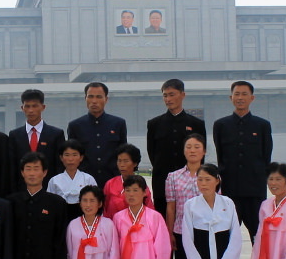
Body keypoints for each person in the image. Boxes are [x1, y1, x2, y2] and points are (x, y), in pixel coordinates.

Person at [213, 80, 273, 243]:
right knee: (227, 238)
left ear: (252, 98)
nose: (240, 98)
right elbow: (221, 156)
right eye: (237, 94)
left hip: (255, 191)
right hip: (230, 191)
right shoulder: (221, 125)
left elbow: (266, 157)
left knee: (259, 237)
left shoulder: (262, 125)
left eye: (244, 94)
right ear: (230, 97)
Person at [165, 133, 208, 259]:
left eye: (196, 147)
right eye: (188, 147)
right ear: (183, 151)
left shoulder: (211, 176)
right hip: (182, 233)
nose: (192, 150)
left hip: (205, 233)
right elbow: (171, 207)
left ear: (204, 151)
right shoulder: (173, 177)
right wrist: (170, 233)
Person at [146, 78, 207, 214]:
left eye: (172, 94)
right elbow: (152, 153)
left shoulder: (196, 124)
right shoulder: (154, 124)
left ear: (182, 95)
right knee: (164, 222)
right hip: (162, 182)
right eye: (165, 95)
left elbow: (200, 155)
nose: (168, 99)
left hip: (189, 184)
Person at [67, 82, 127, 186]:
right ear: (85, 98)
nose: (94, 101)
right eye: (90, 96)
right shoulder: (75, 126)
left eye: (99, 97)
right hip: (83, 182)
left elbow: (124, 153)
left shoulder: (118, 124)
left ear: (106, 99)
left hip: (112, 181)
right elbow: (71, 156)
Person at [8, 89, 65, 191]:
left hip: (49, 190)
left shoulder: (56, 134)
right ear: (22, 108)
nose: (31, 110)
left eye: (34, 106)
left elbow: (59, 166)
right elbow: (12, 168)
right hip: (22, 192)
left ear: (43, 107)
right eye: (27, 106)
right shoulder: (14, 135)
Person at [47, 140, 98, 221]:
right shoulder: (54, 181)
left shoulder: (88, 179)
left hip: (85, 217)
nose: (70, 159)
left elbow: (96, 201)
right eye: (67, 155)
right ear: (61, 157)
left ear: (81, 157)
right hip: (61, 218)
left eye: (75, 155)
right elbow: (50, 204)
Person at [102, 143, 153, 219]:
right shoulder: (110, 184)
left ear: (135, 163)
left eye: (126, 161)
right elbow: (105, 209)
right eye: (119, 161)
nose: (122, 165)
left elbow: (149, 210)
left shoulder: (141, 184)